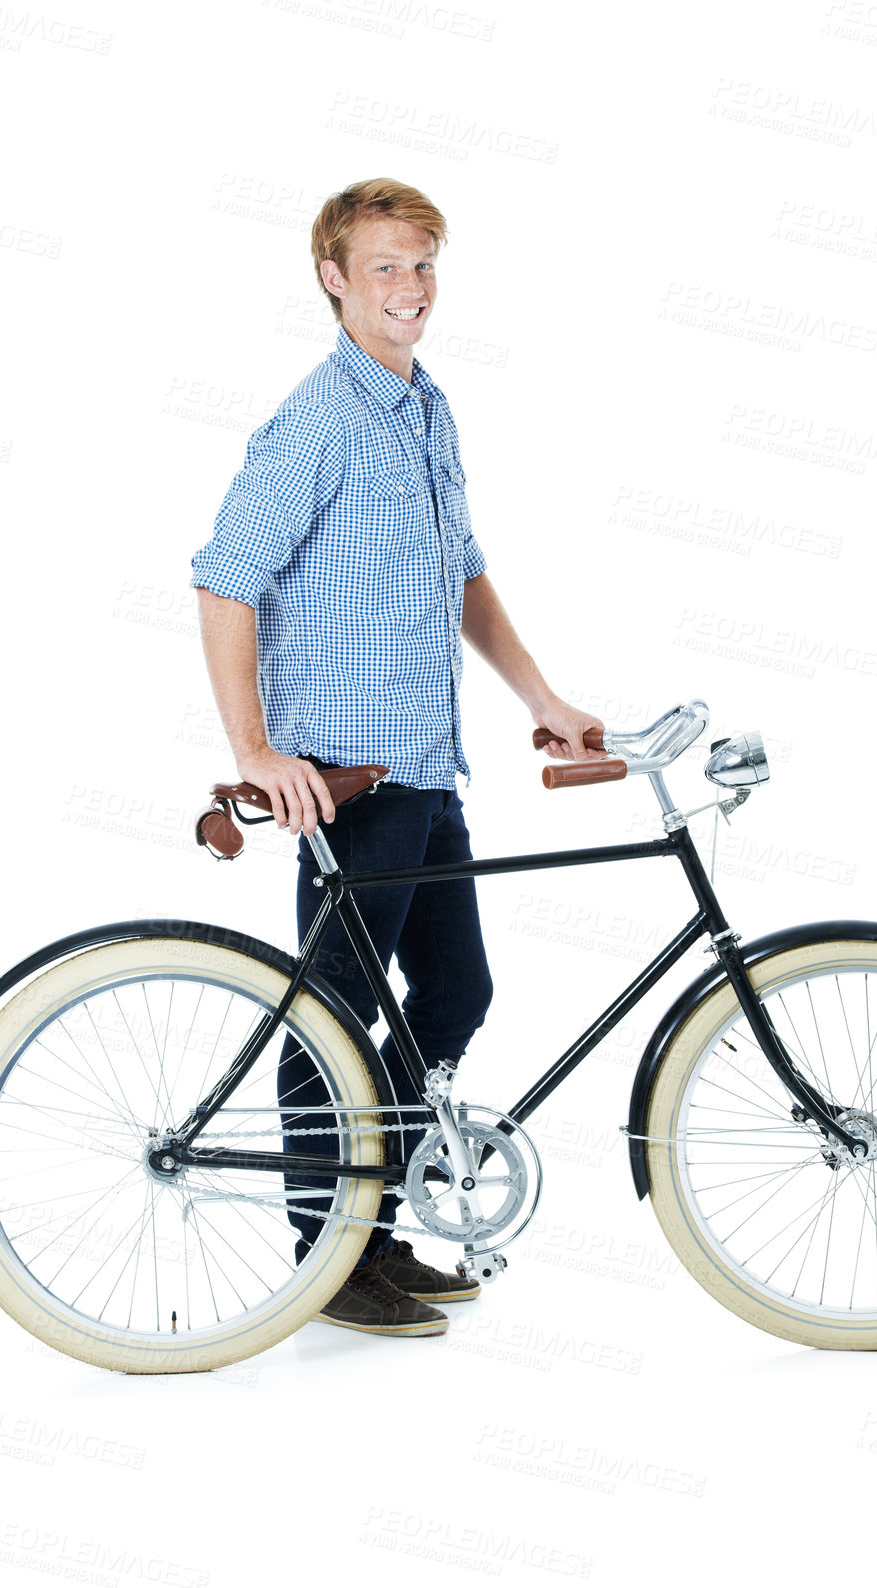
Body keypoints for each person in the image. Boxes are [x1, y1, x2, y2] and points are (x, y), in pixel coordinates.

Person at [190, 177, 605, 1337]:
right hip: (348, 780)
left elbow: (461, 571)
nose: (409, 287)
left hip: (429, 765)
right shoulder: (318, 420)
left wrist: (544, 699)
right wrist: (255, 749)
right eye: (383, 266)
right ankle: (328, 1255)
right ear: (333, 279)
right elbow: (225, 578)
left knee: (457, 988)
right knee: (328, 1016)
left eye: (422, 264)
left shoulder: (426, 410)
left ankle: (372, 1222)